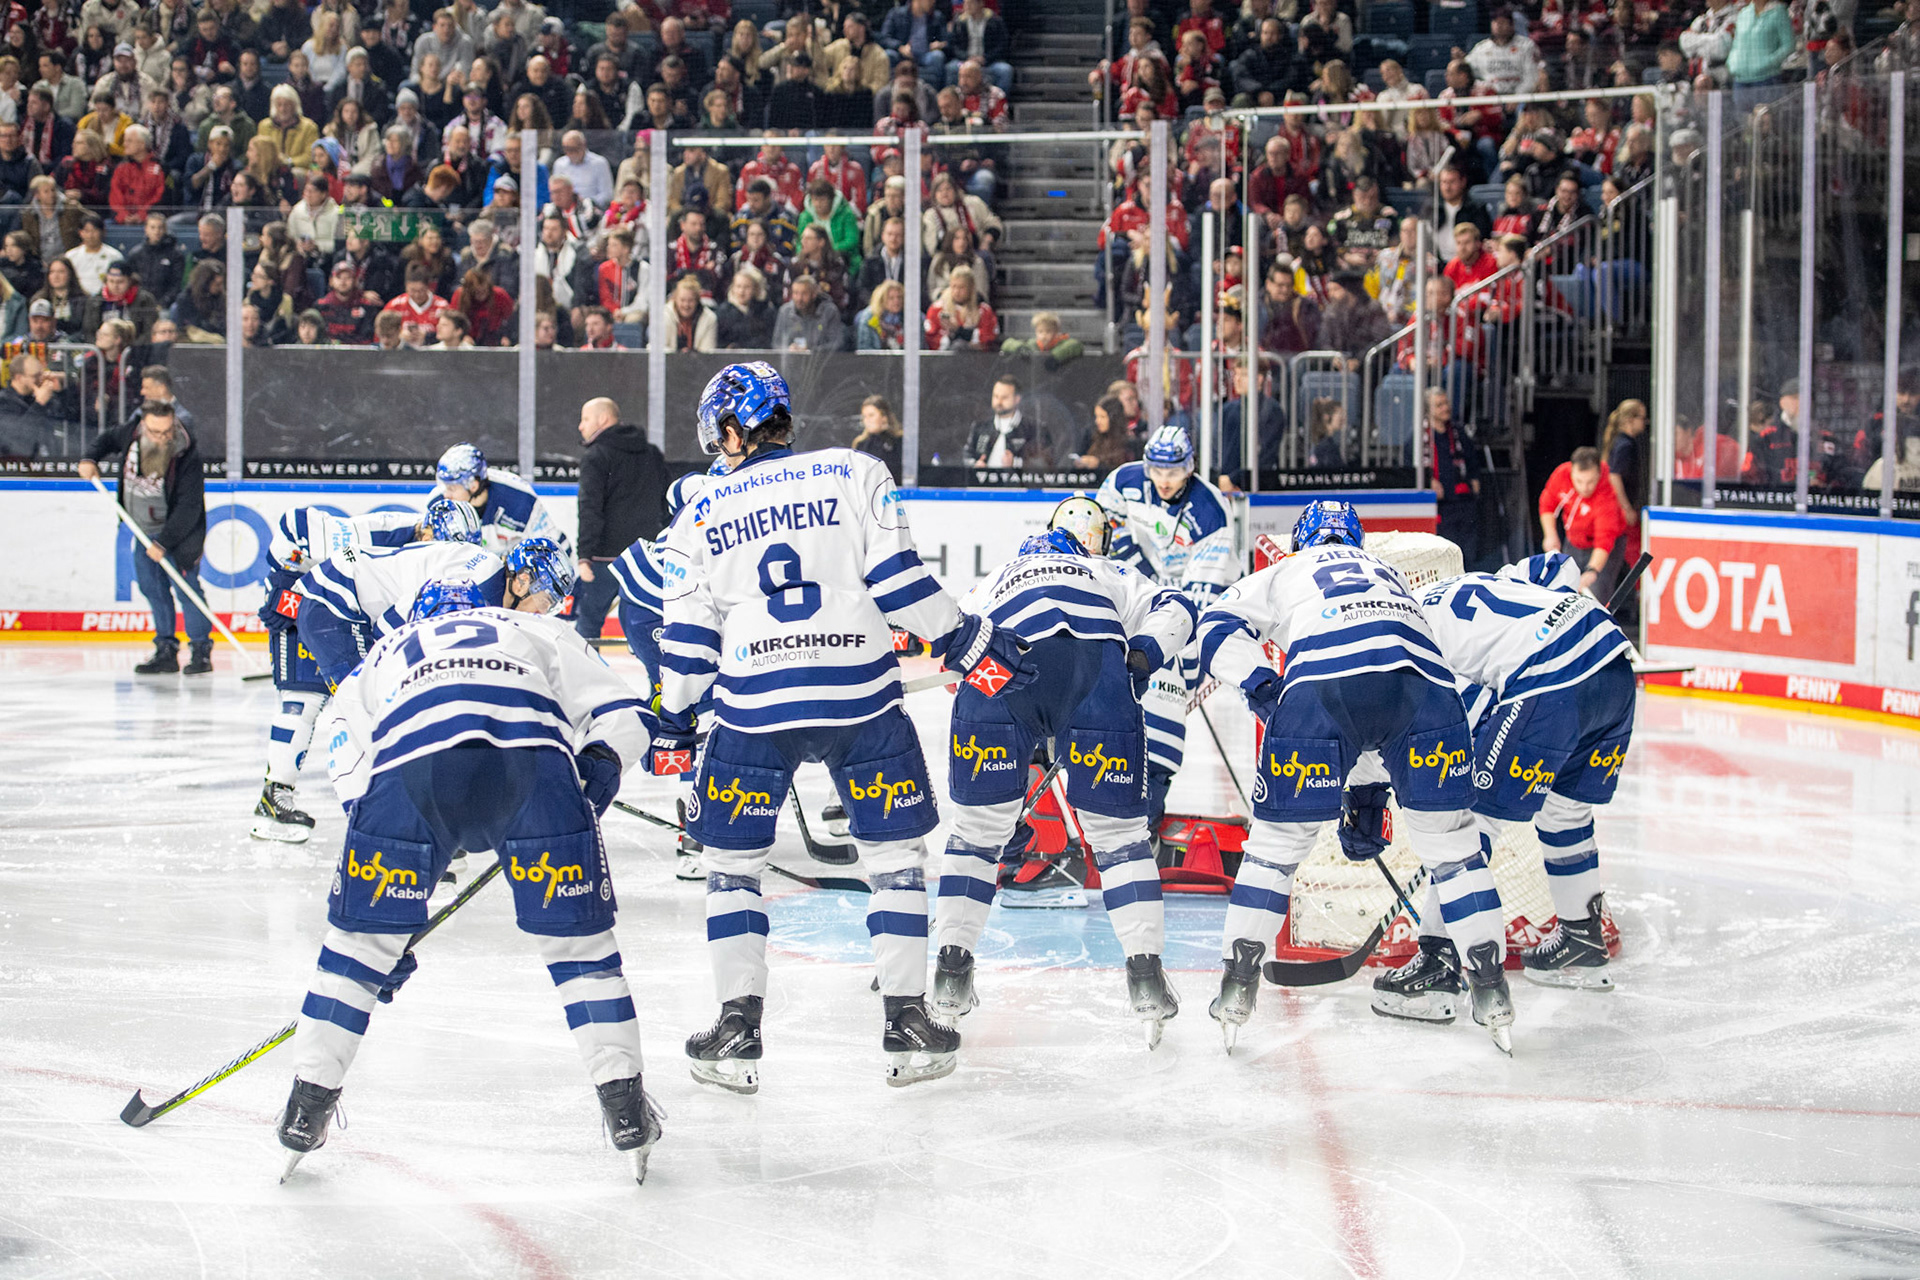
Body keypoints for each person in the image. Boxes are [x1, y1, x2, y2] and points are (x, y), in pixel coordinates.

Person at [654, 361, 1036, 1093]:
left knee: (731, 867)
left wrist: (674, 722)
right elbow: (901, 586)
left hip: (753, 707)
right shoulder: (854, 471)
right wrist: (969, 640)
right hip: (860, 699)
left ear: (732, 431)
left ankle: (736, 1028)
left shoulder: (697, 511)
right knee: (894, 860)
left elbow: (690, 645)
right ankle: (908, 1020)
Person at [278, 582, 665, 1186]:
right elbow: (629, 714)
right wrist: (601, 762)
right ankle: (625, 1108)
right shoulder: (535, 628)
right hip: (530, 760)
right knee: (581, 952)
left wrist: (383, 921)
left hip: (411, 770)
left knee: (355, 953)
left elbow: (352, 771)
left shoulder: (381, 654)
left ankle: (306, 1108)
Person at [1191, 500, 1513, 1052]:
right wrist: (1367, 796)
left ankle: (1237, 985)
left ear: (1303, 540)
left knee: (1275, 848)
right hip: (1427, 690)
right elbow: (1380, 683)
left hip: (1323, 681)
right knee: (1455, 850)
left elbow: (1214, 626)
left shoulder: (1289, 568)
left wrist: (1260, 684)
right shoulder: (1392, 577)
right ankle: (1491, 987)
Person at [933, 498, 1197, 1045]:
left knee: (977, 835)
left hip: (1002, 666)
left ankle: (950, 972)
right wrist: (1143, 654)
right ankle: (1146, 977)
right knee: (1120, 839)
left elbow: (952, 648)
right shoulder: (1107, 570)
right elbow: (1178, 609)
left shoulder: (995, 577)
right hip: (1092, 667)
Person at [1403, 551, 1636, 1002]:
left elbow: (1465, 716)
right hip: (1613, 663)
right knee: (1564, 811)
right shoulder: (1488, 582)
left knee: (1471, 821)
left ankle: (1439, 959)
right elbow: (1558, 566)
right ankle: (1582, 938)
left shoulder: (1407, 634)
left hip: (1549, 679)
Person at [248, 499, 477, 842]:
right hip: (309, 602)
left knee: (368, 702)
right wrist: (282, 580)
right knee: (305, 701)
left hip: (349, 617)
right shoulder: (378, 531)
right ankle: (276, 794)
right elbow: (296, 524)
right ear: (427, 532)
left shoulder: (433, 555)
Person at [1096, 425, 1237, 835]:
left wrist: (1186, 658)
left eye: (1173, 471)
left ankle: (1146, 811)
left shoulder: (1211, 512)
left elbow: (1202, 597)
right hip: (1131, 599)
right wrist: (1141, 576)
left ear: (1189, 468)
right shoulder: (1124, 481)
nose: (1163, 479)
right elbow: (1101, 535)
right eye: (1156, 469)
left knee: (1164, 700)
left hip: (1179, 619)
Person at [78, 399, 210, 675]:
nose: (162, 438)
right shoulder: (130, 433)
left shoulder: (187, 454)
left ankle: (200, 652)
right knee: (152, 588)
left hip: (179, 536)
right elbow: (105, 440)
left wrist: (163, 543)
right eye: (155, 432)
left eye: (167, 432)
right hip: (143, 530)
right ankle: (165, 650)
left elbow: (189, 507)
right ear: (143, 427)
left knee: (188, 591)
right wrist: (90, 459)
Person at [572, 395, 668, 642]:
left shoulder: (596, 456)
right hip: (645, 557)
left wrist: (584, 556)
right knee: (650, 626)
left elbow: (589, 508)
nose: (581, 426)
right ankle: (654, 670)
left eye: (585, 419)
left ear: (603, 419)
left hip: (605, 560)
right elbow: (666, 503)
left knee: (587, 626)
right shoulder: (652, 453)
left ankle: (586, 669)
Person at [429, 440, 569, 556]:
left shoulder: (519, 499)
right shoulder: (437, 504)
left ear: (473, 486)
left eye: (452, 488)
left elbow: (554, 548)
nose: (446, 495)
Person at [1538, 445, 1628, 605]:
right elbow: (1547, 504)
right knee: (1563, 590)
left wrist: (1592, 570)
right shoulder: (1561, 474)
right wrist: (1550, 535)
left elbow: (1604, 540)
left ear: (1598, 474)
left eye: (1590, 482)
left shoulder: (1607, 497)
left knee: (1595, 595)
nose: (1584, 488)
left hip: (1603, 548)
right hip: (1573, 540)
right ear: (1572, 471)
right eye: (1579, 481)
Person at [1427, 388, 1484, 568]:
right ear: (1428, 410)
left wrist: (1474, 480)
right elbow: (1410, 467)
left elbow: (1472, 460)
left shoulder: (1458, 432)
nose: (1445, 408)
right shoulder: (1421, 437)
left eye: (1446, 403)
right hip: (1441, 507)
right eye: (1439, 405)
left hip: (1464, 501)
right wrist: (1428, 481)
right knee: (1445, 557)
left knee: (1468, 556)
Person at [965, 375, 1037, 468]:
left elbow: (1044, 463)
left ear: (1017, 399)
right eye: (996, 396)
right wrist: (975, 465)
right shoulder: (980, 428)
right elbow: (967, 455)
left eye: (1004, 397)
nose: (999, 402)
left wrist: (1015, 463)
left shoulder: (1033, 429)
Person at [769, 272, 842, 352]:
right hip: (792, 358)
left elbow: (836, 344)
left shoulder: (829, 312)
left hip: (820, 358)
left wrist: (810, 351)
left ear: (814, 294)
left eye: (804, 294)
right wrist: (788, 350)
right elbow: (777, 343)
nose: (799, 298)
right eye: (796, 293)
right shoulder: (785, 311)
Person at [850, 394, 904, 481]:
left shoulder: (900, 441)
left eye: (871, 415)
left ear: (884, 417)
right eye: (864, 416)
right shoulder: (860, 444)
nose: (867, 420)